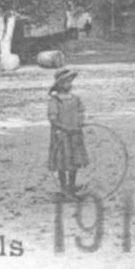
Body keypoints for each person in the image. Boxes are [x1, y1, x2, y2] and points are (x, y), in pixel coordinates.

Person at [47, 69, 88, 197]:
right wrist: (65, 128)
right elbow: (53, 119)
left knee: (74, 160)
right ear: (59, 85)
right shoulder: (55, 100)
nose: (69, 85)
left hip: (75, 134)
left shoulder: (75, 98)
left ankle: (72, 185)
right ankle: (64, 187)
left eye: (70, 82)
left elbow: (81, 112)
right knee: (62, 161)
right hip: (61, 135)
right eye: (66, 82)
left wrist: (80, 123)